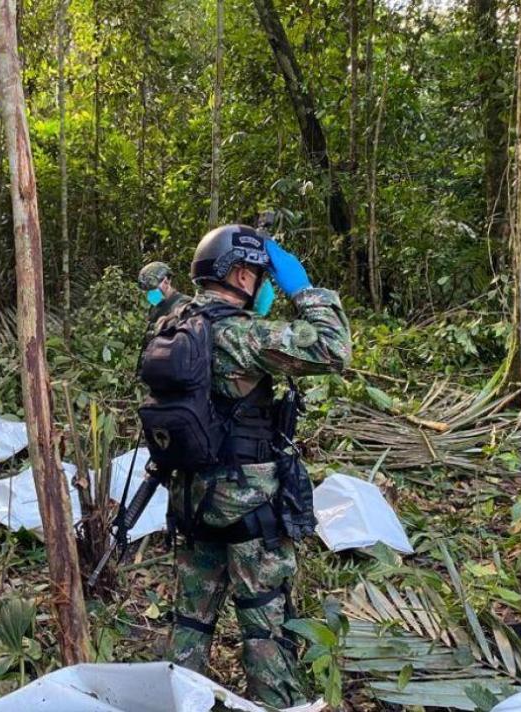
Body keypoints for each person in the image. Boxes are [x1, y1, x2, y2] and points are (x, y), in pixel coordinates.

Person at [165, 225, 351, 706]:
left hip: (191, 498)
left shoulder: (175, 322)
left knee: (191, 619)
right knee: (264, 620)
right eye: (261, 277)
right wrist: (305, 292)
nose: (265, 285)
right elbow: (332, 349)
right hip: (248, 505)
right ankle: (276, 702)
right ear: (243, 273)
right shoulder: (244, 335)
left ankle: (175, 698)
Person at [137, 262, 190, 356]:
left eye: (153, 288)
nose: (150, 293)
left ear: (167, 281)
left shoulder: (183, 304)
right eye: (147, 290)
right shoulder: (156, 303)